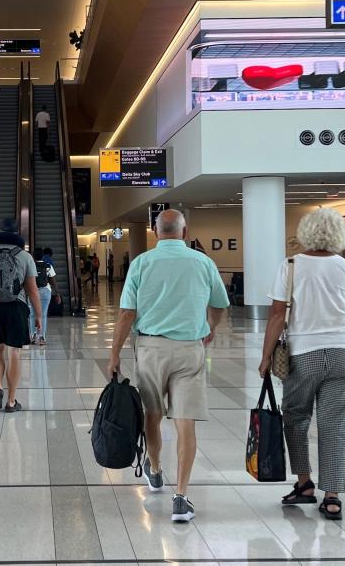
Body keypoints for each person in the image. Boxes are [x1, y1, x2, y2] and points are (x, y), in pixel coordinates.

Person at [106, 210, 228, 522]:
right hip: (190, 348)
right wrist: (210, 328)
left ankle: (156, 469)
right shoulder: (203, 262)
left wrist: (115, 354)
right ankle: (181, 497)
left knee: (153, 413)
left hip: (151, 348)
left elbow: (126, 314)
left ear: (154, 231)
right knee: (185, 421)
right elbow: (219, 305)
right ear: (185, 232)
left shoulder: (142, 263)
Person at [258, 208, 345, 521]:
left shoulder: (291, 266)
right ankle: (333, 497)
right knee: (335, 423)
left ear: (305, 232)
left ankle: (304, 483)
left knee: (295, 417)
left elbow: (277, 316)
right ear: (338, 234)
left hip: (304, 352)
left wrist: (266, 356)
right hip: (344, 351)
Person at [0, 218, 42, 412]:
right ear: (16, 233)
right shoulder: (24, 256)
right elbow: (32, 290)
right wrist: (38, 315)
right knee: (15, 353)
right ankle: (12, 402)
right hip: (17, 307)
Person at [30, 248, 59, 345]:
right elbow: (53, 280)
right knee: (43, 314)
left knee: (32, 314)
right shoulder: (48, 266)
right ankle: (42, 337)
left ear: (33, 256)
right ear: (43, 256)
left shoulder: (30, 265)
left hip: (33, 292)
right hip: (45, 291)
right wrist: (57, 294)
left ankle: (33, 336)